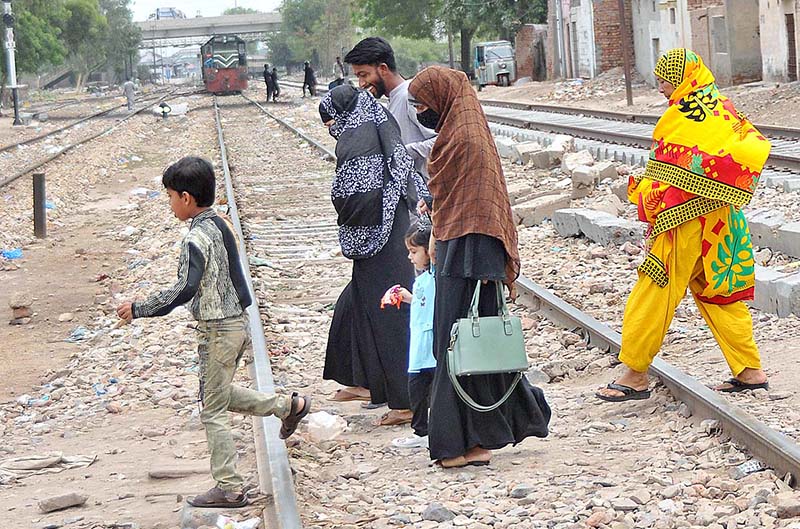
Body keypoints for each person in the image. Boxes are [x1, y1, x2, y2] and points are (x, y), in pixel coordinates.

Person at [116, 157, 311, 508]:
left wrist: (139, 308)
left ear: (187, 198)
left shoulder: (195, 238)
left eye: (171, 196)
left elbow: (184, 289)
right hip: (237, 323)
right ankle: (288, 406)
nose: (170, 203)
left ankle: (229, 487)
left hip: (217, 329)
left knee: (213, 410)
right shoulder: (220, 225)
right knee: (218, 394)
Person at [596, 49, 772, 402]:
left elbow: (667, 176)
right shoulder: (723, 108)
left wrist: (643, 197)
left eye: (664, 81)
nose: (660, 88)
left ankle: (634, 375)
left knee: (654, 290)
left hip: (683, 222)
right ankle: (750, 371)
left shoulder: (680, 116)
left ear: (680, 79)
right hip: (723, 220)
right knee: (719, 293)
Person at [408, 66, 551, 468]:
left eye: (423, 104)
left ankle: (461, 444)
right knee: (468, 346)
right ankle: (483, 436)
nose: (421, 112)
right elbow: (453, 197)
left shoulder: (465, 139)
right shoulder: (458, 132)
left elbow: (477, 206)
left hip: (472, 254)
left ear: (442, 99)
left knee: (457, 346)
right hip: (462, 249)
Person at [319, 85, 431, 426]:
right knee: (363, 306)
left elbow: (356, 195)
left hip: (380, 233)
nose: (329, 130)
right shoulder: (373, 122)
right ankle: (368, 384)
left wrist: (348, 222)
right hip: (391, 225)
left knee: (390, 314)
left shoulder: (358, 139)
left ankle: (407, 401)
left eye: (330, 122)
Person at [344, 37, 437, 182]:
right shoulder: (394, 99)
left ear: (383, 69)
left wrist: (403, 152)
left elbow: (442, 141)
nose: (361, 84)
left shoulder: (410, 96)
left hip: (424, 195)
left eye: (364, 75)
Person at [380, 220, 436, 449]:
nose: (410, 258)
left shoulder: (433, 279)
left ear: (429, 250)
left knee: (419, 389)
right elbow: (425, 305)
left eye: (414, 252)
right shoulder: (425, 279)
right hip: (421, 341)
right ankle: (423, 430)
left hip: (427, 342)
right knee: (419, 388)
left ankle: (422, 431)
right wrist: (408, 298)